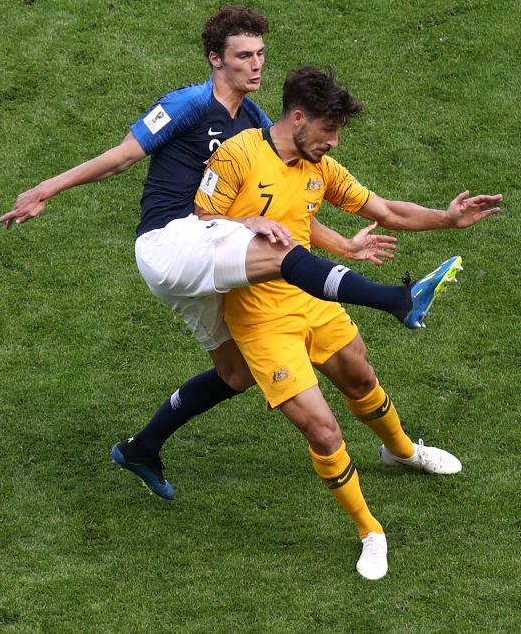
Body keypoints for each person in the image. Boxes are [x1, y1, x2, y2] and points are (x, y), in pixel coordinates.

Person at [0, 7, 464, 501]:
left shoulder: (260, 124)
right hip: (171, 240)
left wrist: (342, 242)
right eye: (243, 55)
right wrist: (47, 188)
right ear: (215, 59)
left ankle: (141, 448)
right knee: (275, 252)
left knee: (237, 373)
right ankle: (396, 298)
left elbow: (290, 212)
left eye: (260, 54)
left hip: (206, 248)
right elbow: (121, 159)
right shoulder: (187, 104)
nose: (256, 65)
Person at [194, 65, 503, 580]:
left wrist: (448, 219)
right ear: (298, 118)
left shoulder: (320, 168)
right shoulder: (237, 155)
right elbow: (197, 221)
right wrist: (246, 221)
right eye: (329, 130)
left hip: (312, 299)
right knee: (322, 428)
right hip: (259, 318)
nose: (334, 142)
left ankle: (401, 452)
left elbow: (384, 210)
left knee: (361, 375)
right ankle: (370, 530)